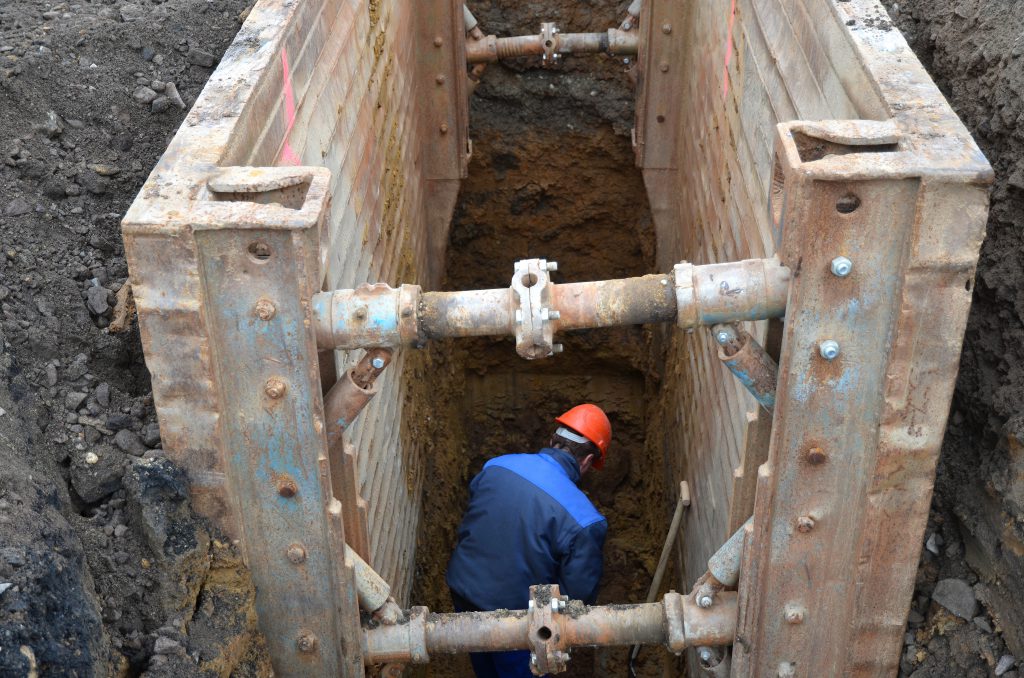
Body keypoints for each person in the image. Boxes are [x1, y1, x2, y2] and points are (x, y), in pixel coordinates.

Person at [445, 404, 612, 678]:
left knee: (483, 659)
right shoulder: (586, 520)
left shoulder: (496, 464)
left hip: (463, 589)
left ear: (552, 441)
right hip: (516, 621)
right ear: (586, 461)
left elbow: (478, 519)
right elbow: (574, 602)